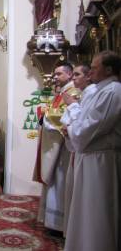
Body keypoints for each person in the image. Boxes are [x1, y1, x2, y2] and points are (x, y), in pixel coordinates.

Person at [63, 51, 121, 251]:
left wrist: (71, 123)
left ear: (109, 70)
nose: (90, 72)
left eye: (95, 68)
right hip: (91, 157)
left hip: (101, 161)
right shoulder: (100, 90)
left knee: (96, 214)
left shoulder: (112, 91)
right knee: (85, 212)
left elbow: (83, 130)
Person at [33, 62, 80, 234]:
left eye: (58, 74)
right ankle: (52, 221)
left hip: (64, 147)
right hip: (59, 146)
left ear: (68, 74)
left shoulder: (72, 91)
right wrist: (45, 114)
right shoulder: (62, 93)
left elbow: (60, 116)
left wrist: (45, 114)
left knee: (61, 182)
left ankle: (59, 224)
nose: (55, 77)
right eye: (54, 74)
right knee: (56, 181)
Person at [59, 63, 97, 237]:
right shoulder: (84, 94)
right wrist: (68, 128)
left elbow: (86, 124)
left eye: (77, 75)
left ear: (88, 76)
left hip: (91, 154)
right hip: (79, 150)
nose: (74, 78)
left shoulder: (93, 93)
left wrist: (72, 105)